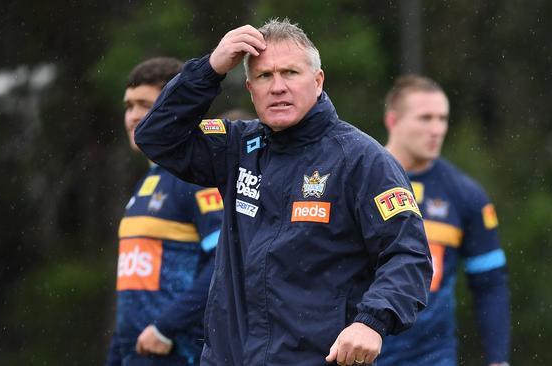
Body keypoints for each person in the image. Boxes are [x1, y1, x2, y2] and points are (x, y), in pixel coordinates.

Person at [134, 19, 433, 366]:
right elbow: (155, 135)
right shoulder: (238, 147)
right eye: (264, 76)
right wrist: (210, 69)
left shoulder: (363, 160)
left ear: (318, 81)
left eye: (290, 73)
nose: (277, 87)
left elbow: (408, 254)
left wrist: (372, 323)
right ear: (249, 88)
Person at [378, 75, 511, 366]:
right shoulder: (357, 177)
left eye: (442, 119)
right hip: (358, 352)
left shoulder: (466, 195)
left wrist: (498, 359)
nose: (436, 129)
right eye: (425, 118)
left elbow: (490, 284)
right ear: (393, 121)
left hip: (431, 357)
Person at [106, 57, 224, 366]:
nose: (133, 117)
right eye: (128, 106)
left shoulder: (195, 177)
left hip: (180, 352)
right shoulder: (147, 182)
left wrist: (165, 327)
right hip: (137, 353)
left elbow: (223, 260)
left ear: (173, 105)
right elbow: (133, 293)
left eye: (144, 105)